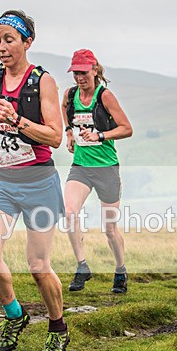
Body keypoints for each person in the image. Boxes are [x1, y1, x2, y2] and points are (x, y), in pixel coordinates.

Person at [0, 10, 69, 351]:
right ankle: (15, 314)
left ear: (27, 42)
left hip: (39, 182)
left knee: (38, 266)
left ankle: (58, 327)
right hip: (1, 181)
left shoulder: (42, 81)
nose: (2, 47)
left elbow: (55, 136)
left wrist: (17, 120)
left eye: (9, 39)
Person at [62, 49, 133, 294]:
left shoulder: (105, 96)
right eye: (75, 73)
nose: (79, 78)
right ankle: (82, 266)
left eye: (83, 72)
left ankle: (120, 270)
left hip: (106, 168)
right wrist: (69, 134)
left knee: (110, 229)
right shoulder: (70, 95)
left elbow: (126, 128)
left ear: (94, 70)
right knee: (69, 212)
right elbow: (64, 110)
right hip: (81, 167)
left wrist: (99, 135)